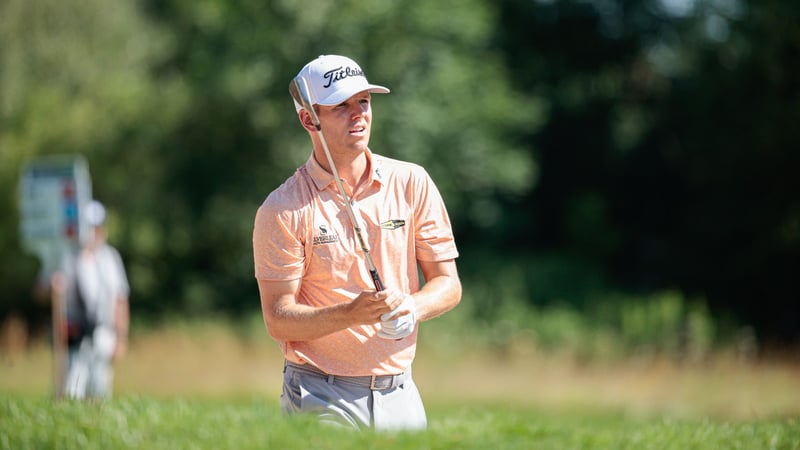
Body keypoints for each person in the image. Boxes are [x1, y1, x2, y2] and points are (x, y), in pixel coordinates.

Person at [252, 54, 462, 431]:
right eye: (341, 106)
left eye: (363, 101)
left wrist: (412, 308)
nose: (359, 114)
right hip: (320, 391)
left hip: (401, 390)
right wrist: (351, 313)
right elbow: (277, 319)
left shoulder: (412, 182)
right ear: (307, 119)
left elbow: (448, 284)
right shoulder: (282, 209)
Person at [50, 200, 130, 399]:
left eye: (96, 227)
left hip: (103, 331)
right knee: (71, 389)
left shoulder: (110, 257)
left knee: (100, 388)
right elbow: (43, 290)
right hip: (73, 332)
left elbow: (120, 300)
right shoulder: (67, 256)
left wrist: (121, 338)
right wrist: (53, 287)